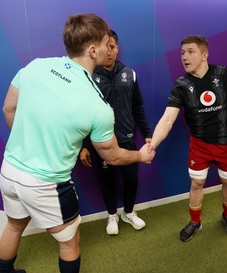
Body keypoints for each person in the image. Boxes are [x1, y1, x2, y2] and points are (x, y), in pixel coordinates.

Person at [0, 14, 155, 273]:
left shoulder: (35, 66)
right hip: (47, 183)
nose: (110, 48)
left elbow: (8, 108)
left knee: (14, 225)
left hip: (9, 171)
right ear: (93, 50)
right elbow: (113, 157)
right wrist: (140, 156)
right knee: (70, 243)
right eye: (106, 43)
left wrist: (31, 143)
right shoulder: (97, 105)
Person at [148, 35, 227, 242]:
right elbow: (168, 119)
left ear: (204, 55)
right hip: (200, 145)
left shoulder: (225, 74)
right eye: (182, 53)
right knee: (196, 183)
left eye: (190, 52)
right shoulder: (181, 84)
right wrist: (153, 144)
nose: (184, 57)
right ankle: (195, 221)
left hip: (226, 144)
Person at [79, 30, 152, 235]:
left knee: (131, 179)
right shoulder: (89, 77)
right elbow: (83, 114)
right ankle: (112, 215)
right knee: (107, 182)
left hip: (127, 139)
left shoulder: (130, 74)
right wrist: (83, 146)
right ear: (96, 50)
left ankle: (129, 212)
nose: (109, 52)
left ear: (117, 49)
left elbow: (138, 107)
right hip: (100, 142)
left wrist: (147, 133)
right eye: (105, 47)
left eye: (112, 47)